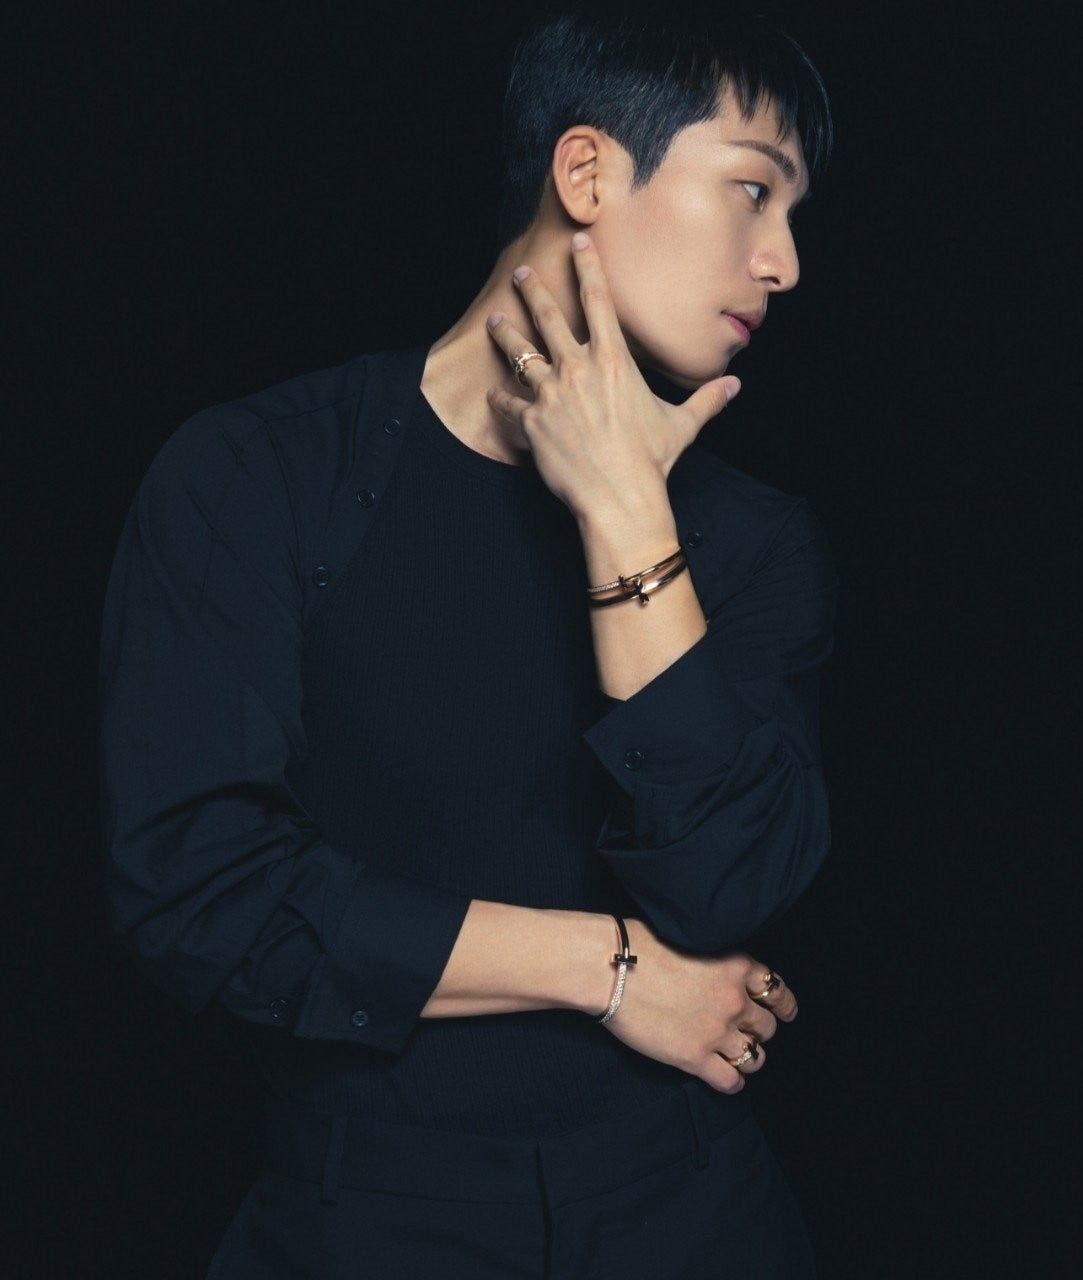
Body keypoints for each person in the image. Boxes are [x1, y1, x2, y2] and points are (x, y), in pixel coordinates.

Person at [99, 4, 836, 1275]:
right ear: (587, 172)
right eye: (753, 190)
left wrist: (624, 507)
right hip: (361, 1218)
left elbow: (730, 886)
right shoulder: (260, 474)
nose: (784, 262)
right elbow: (198, 892)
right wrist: (609, 969)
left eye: (795, 215)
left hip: (689, 1212)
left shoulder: (754, 538)